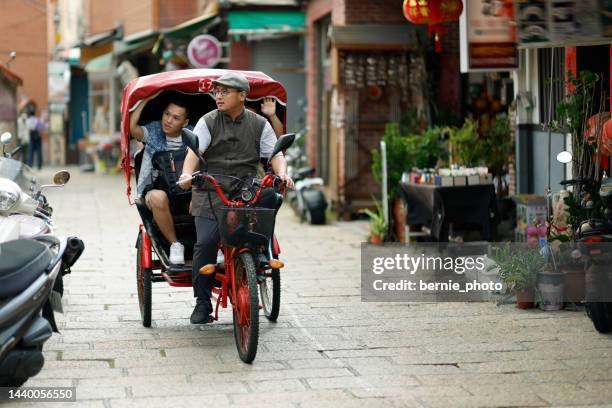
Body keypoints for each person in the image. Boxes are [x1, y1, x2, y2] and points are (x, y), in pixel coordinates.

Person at [179, 71, 294, 324]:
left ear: (242, 95)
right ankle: (202, 302)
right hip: (211, 188)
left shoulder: (259, 124)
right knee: (206, 242)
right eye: (216, 92)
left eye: (225, 92)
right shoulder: (207, 121)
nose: (218, 96)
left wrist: (283, 174)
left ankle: (261, 251)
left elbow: (274, 154)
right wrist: (187, 175)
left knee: (272, 195)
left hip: (246, 188)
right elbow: (193, 152)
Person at [129, 92, 192, 265]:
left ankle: (210, 245)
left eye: (176, 117)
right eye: (167, 114)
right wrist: (146, 99)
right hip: (158, 189)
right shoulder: (155, 130)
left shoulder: (194, 134)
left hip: (188, 189)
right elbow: (131, 128)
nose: (169, 120)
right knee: (158, 197)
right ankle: (175, 245)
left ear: (185, 122)